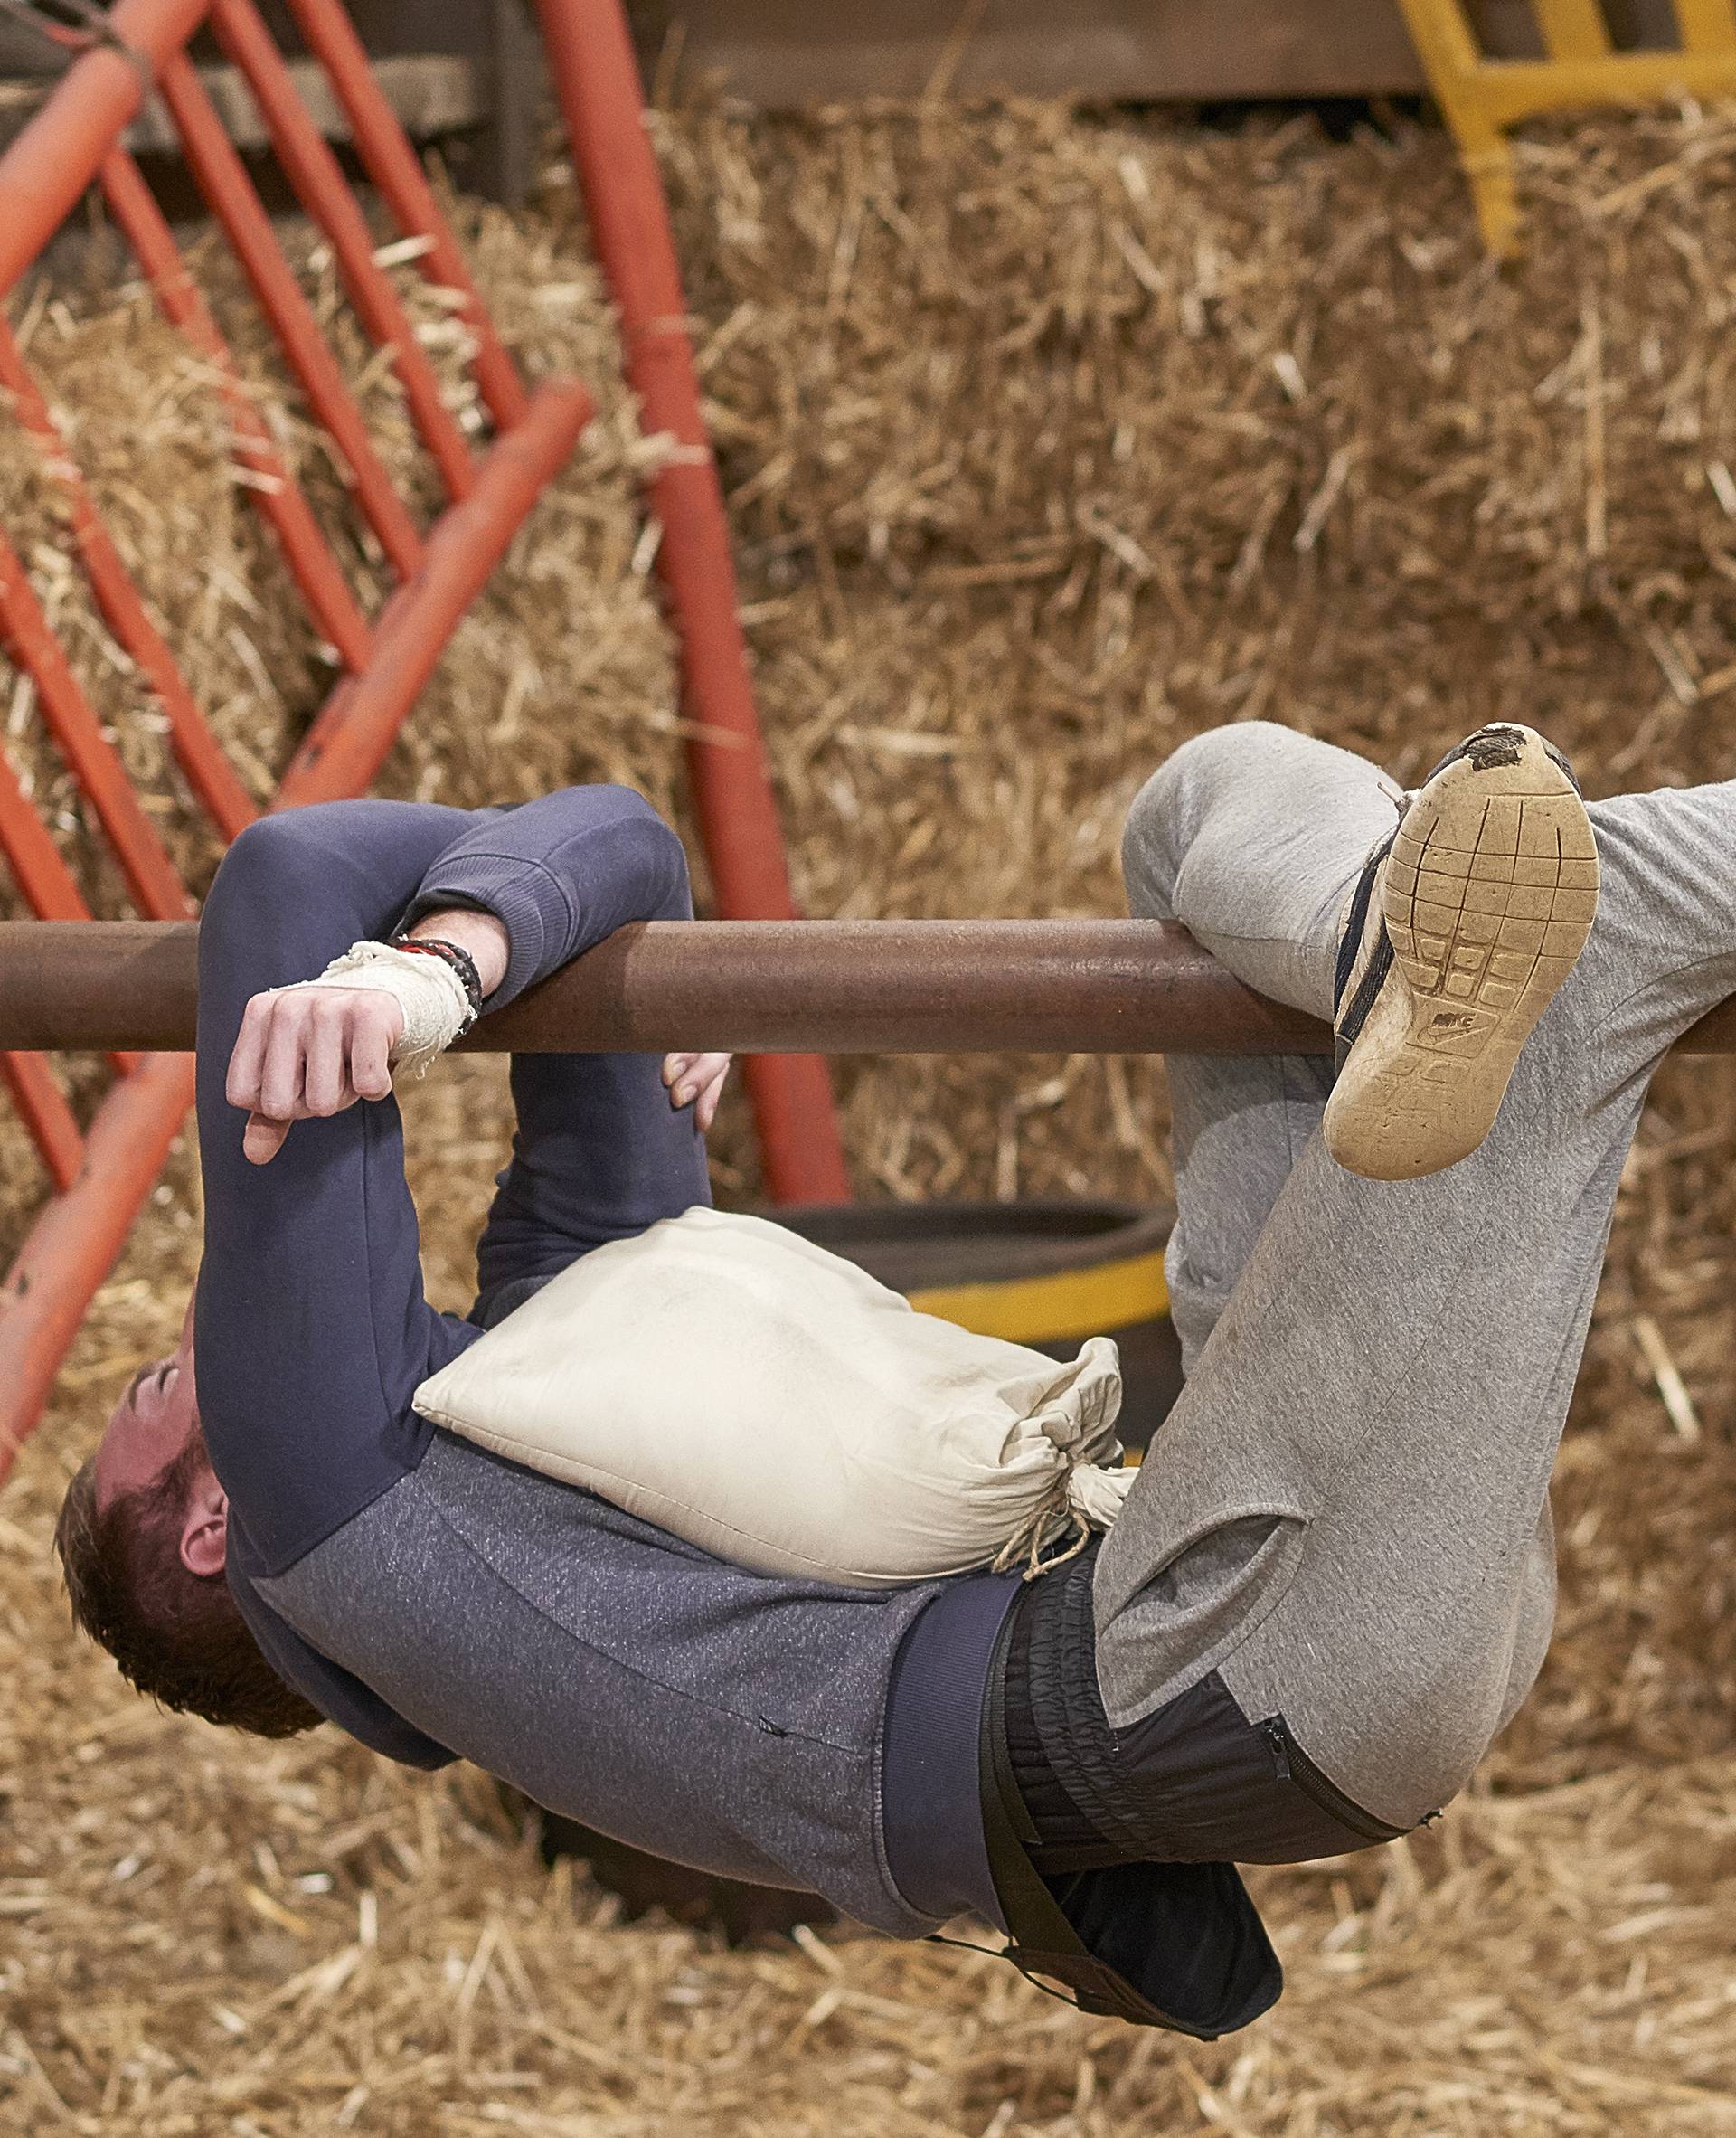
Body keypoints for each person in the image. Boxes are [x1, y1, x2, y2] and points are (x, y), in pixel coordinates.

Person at [52, 722, 1718, 2035]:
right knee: (1603, 932)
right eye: (142, 1405)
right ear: (206, 1529)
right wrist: (430, 955)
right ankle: (1427, 957)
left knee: (1203, 808)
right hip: (1223, 1663)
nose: (167, 1357)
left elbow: (629, 838)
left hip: (1226, 1550)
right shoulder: (325, 1503)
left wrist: (457, 957)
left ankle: (1378, 946)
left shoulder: (551, 1370)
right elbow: (282, 876)